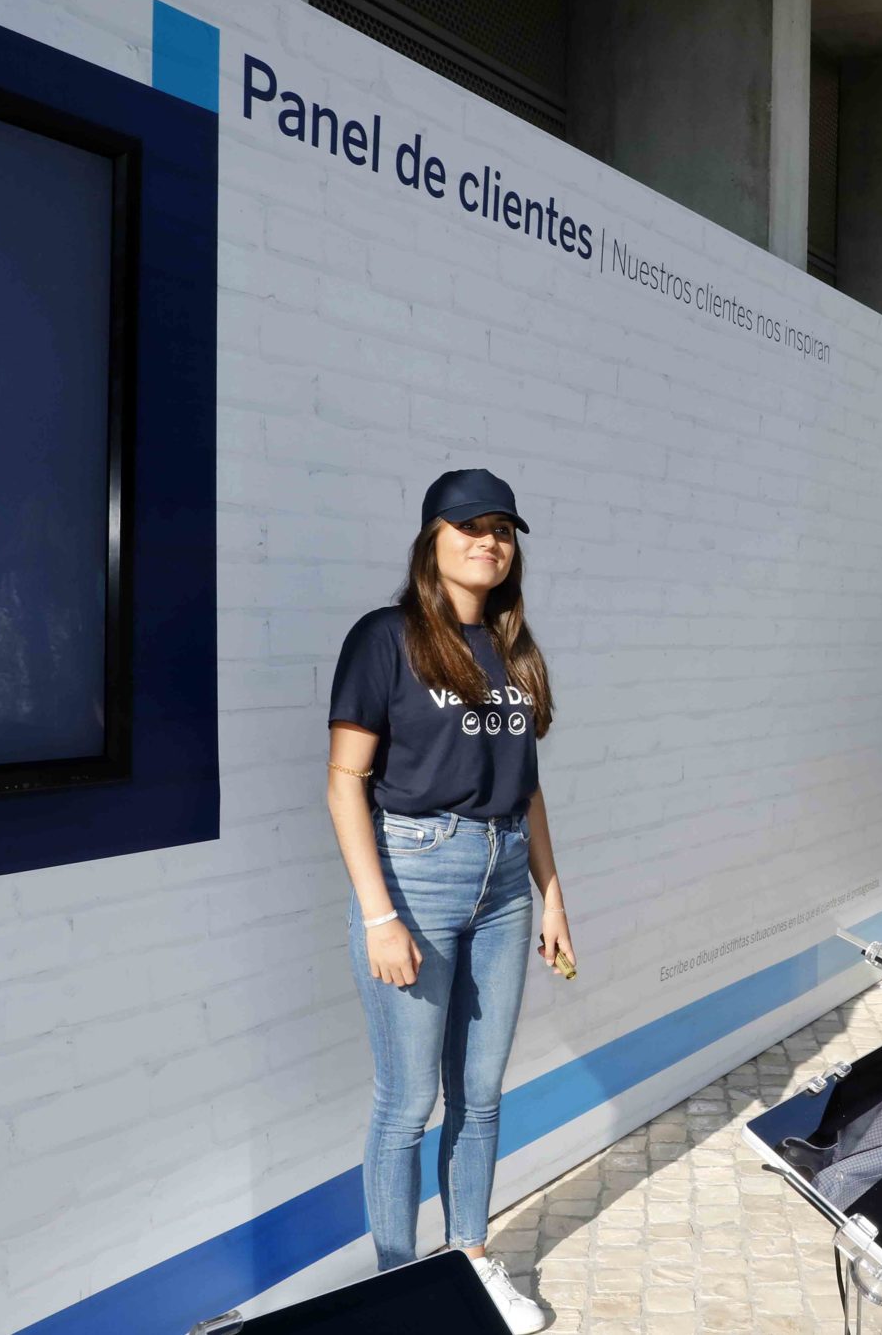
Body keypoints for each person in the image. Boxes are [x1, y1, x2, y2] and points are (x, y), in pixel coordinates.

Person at [325, 469, 575, 1333]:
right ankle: (396, 1293)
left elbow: (529, 789)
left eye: (503, 528)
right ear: (432, 538)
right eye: (470, 525)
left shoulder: (515, 649)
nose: (489, 540)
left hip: (505, 878)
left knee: (482, 1092)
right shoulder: (386, 639)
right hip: (415, 876)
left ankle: (468, 1263)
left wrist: (550, 894)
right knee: (406, 1104)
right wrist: (378, 913)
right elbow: (344, 780)